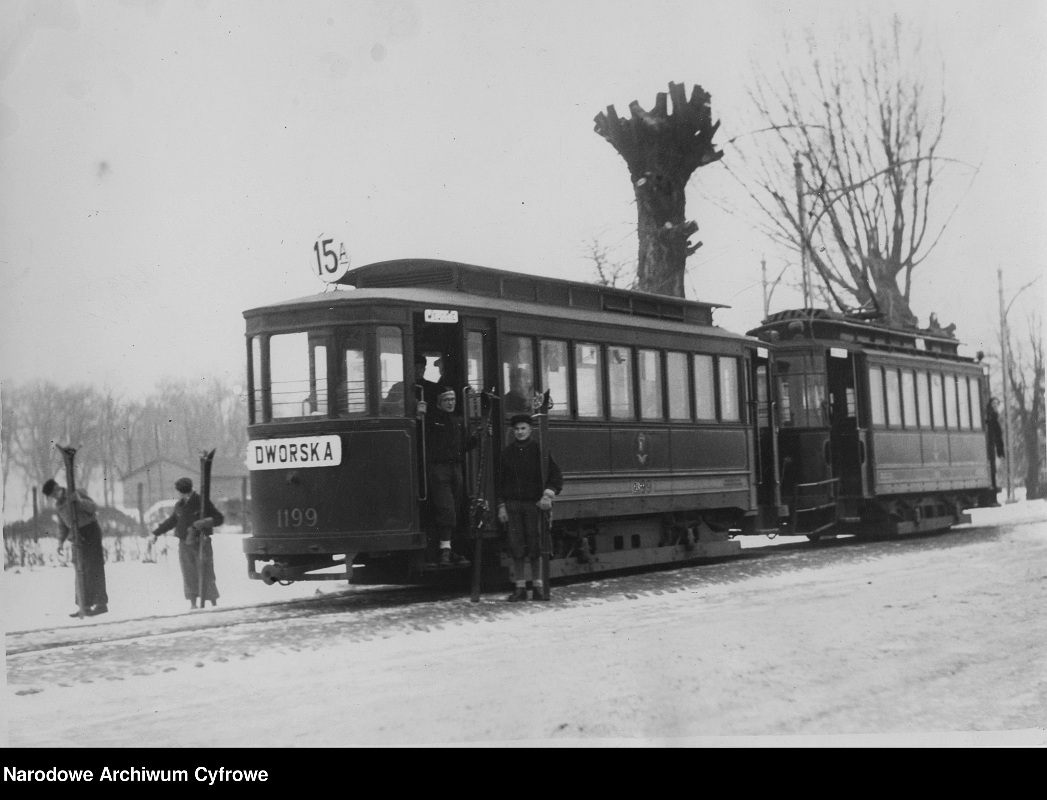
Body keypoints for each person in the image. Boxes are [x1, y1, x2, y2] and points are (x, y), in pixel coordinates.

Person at [496, 414, 563, 601]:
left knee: (536, 546)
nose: (520, 432)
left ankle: (537, 586)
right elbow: (499, 483)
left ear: (530, 430)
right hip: (513, 506)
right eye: (517, 429)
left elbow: (556, 477)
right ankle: (520, 588)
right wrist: (501, 506)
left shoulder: (540, 452)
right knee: (516, 546)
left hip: (534, 505)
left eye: (523, 428)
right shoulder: (506, 453)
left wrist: (547, 495)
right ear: (513, 431)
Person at [417, 387, 478, 566]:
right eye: (446, 400)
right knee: (446, 509)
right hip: (439, 468)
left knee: (454, 509)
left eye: (453, 399)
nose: (450, 403)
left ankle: (448, 549)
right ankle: (444, 551)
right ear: (439, 402)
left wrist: (477, 437)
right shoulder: (432, 419)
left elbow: (464, 446)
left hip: (456, 468)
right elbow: (421, 435)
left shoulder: (458, 421)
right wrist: (419, 416)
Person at [150, 477, 224, 610]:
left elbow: (219, 518)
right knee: (188, 573)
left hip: (201, 542)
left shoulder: (201, 502)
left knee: (206, 571)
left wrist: (203, 523)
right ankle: (193, 603)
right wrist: (156, 533)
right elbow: (172, 521)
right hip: (184, 543)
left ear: (181, 491)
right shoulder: (180, 505)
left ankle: (213, 602)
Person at [43, 478, 109, 617]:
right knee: (80, 569)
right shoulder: (59, 505)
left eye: (54, 493)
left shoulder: (76, 493)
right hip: (77, 536)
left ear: (57, 487)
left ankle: (101, 604)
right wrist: (60, 542)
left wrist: (79, 501)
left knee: (93, 568)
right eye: (52, 496)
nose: (55, 496)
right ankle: (84, 606)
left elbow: (93, 508)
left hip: (90, 532)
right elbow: (62, 525)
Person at [986, 396, 1006, 491]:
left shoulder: (995, 415)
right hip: (992, 441)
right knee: (993, 463)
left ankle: (994, 483)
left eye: (996, 403)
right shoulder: (991, 416)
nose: (995, 405)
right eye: (993, 403)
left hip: (995, 441)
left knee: (995, 463)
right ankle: (993, 483)